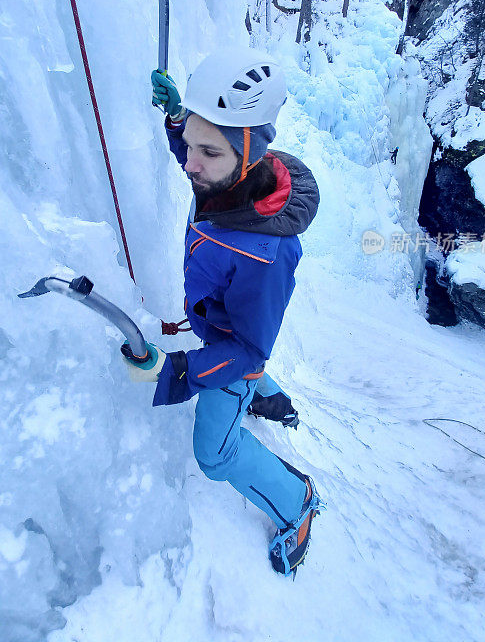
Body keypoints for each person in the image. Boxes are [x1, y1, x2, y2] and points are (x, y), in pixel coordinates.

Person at [121, 47, 322, 576]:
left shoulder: (264, 256)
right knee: (236, 349)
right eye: (188, 145)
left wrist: (180, 371)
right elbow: (200, 148)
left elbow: (250, 348)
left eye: (205, 151)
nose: (189, 164)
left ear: (250, 152)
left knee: (214, 455)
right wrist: (176, 121)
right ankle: (270, 398)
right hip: (222, 319)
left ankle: (297, 504)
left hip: (234, 346)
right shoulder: (226, 175)